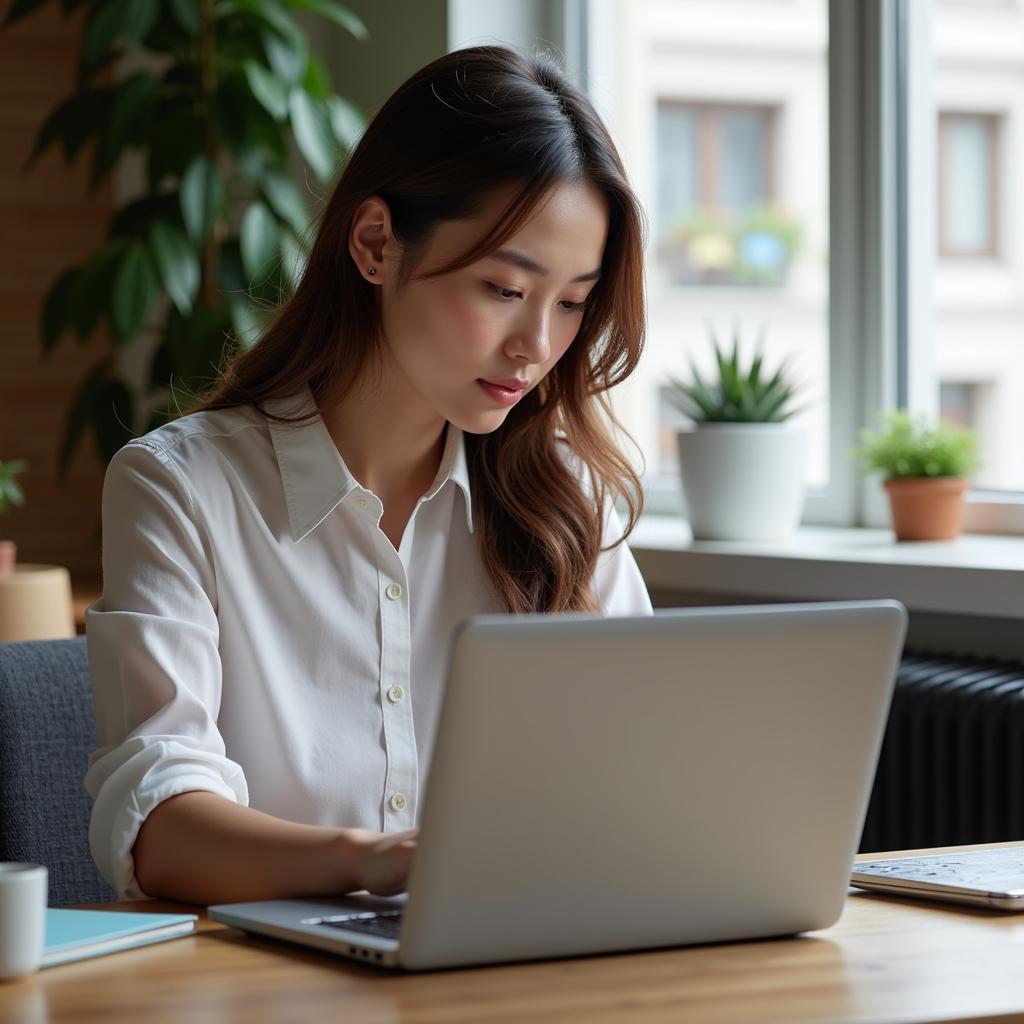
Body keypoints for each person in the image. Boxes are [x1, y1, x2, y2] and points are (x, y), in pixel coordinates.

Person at [84, 44, 652, 907]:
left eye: (572, 302)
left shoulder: (565, 501)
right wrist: (378, 860)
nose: (538, 345)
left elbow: (644, 780)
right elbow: (160, 827)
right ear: (376, 243)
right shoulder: (182, 487)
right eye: (504, 288)